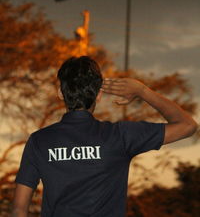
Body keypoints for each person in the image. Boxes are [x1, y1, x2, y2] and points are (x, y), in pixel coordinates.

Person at [12, 56, 197, 217]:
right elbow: (187, 125)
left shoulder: (39, 141)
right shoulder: (120, 135)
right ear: (99, 95)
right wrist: (142, 91)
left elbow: (19, 209)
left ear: (60, 93)